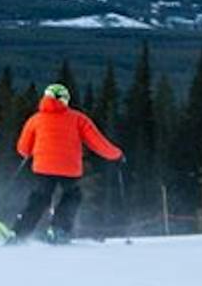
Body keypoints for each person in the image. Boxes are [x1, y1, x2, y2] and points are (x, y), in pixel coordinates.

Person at [10, 83, 123, 244]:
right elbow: (97, 142)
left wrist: (36, 151)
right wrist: (116, 155)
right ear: (64, 100)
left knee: (40, 198)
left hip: (43, 167)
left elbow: (23, 149)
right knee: (72, 195)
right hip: (69, 168)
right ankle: (59, 229)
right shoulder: (78, 118)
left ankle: (19, 233)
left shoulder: (35, 119)